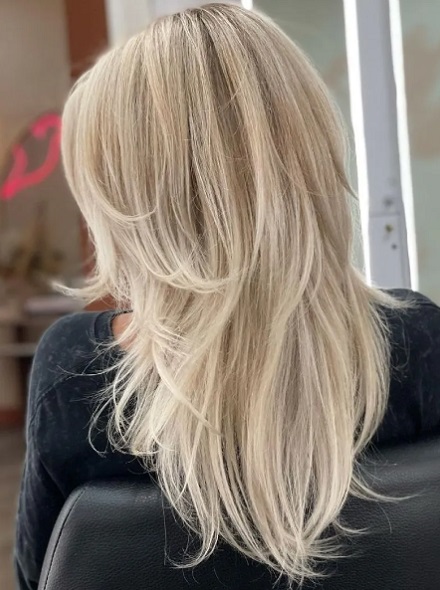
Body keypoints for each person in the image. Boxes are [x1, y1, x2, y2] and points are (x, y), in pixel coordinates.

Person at [15, 3, 440, 589]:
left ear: (128, 202)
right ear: (311, 152)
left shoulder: (76, 371)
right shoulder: (420, 341)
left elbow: (42, 574)